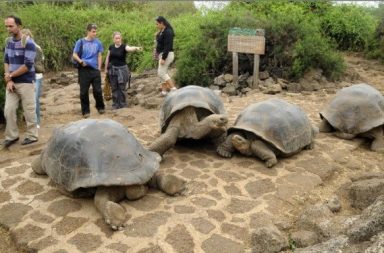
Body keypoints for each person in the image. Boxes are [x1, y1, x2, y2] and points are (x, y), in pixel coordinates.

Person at [2, 15, 38, 148]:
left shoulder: (28, 43)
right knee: (8, 110)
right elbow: (6, 61)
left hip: (26, 82)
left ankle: (32, 135)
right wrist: (8, 78)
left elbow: (27, 65)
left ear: (19, 26)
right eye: (6, 26)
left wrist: (10, 76)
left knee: (29, 111)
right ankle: (12, 136)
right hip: (12, 82)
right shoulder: (8, 42)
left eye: (11, 26)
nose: (8, 28)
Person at [72, 23, 105, 118]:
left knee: (98, 90)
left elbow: (99, 55)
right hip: (84, 69)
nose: (95, 33)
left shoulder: (98, 42)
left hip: (95, 69)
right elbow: (74, 54)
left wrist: (99, 68)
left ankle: (100, 107)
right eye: (93, 31)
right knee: (83, 91)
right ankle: (86, 111)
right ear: (88, 31)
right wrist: (80, 61)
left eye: (96, 31)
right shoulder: (80, 42)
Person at [104, 32, 142, 109]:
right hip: (112, 69)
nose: (118, 40)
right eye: (116, 38)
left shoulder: (124, 46)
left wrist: (136, 48)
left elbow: (129, 49)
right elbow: (108, 58)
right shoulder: (111, 47)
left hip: (122, 69)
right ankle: (115, 104)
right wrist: (105, 69)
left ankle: (122, 104)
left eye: (119, 38)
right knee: (114, 87)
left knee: (121, 87)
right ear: (113, 39)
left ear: (121, 39)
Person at [20, 29, 44, 129]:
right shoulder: (22, 47)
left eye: (25, 36)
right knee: (27, 99)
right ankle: (30, 120)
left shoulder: (36, 47)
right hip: (25, 76)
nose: (24, 38)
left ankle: (36, 121)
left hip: (36, 76)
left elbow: (37, 63)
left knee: (34, 99)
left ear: (29, 36)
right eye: (23, 36)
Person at [155, 16, 176, 96]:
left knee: (161, 73)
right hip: (162, 54)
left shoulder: (168, 32)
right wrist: (158, 34)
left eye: (157, 24)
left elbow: (168, 46)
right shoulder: (162, 31)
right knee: (162, 73)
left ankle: (173, 89)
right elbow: (160, 42)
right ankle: (164, 92)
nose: (156, 26)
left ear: (162, 23)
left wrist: (163, 58)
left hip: (167, 55)